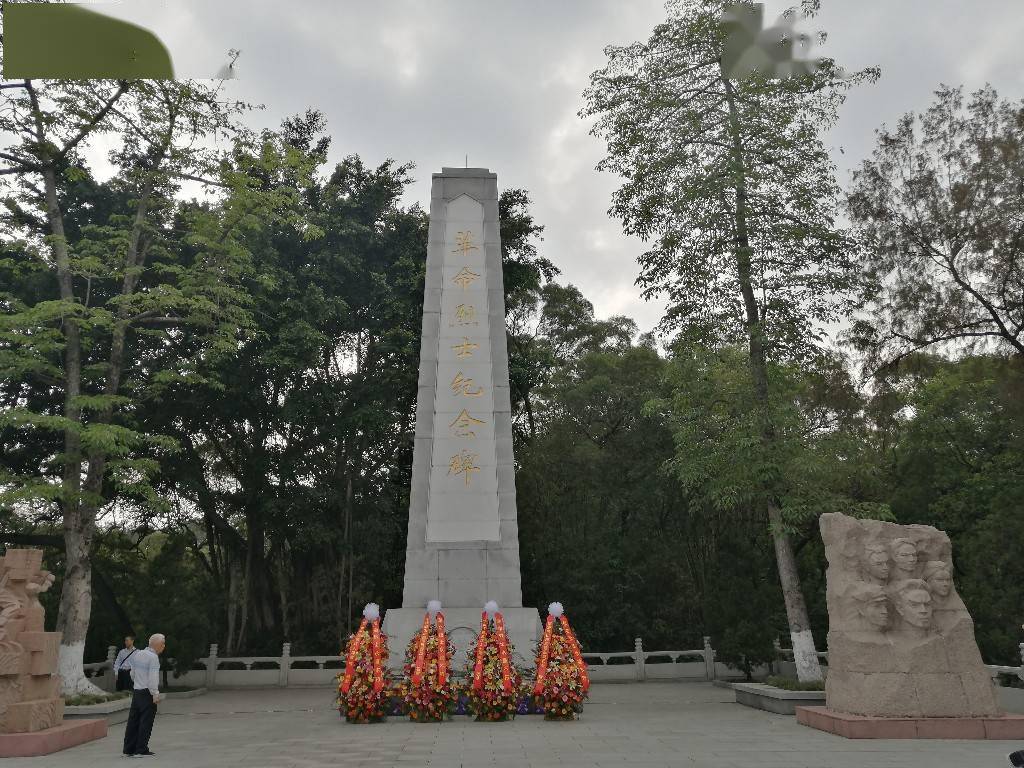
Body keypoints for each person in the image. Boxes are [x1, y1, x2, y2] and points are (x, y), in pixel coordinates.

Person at [122, 633, 165, 758]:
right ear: (157, 644)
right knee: (146, 721)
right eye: (163, 643)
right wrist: (155, 694)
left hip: (137, 691)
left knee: (133, 721)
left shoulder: (138, 654)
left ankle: (129, 749)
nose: (164, 646)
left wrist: (138, 683)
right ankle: (141, 749)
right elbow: (153, 678)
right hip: (147, 693)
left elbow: (132, 674)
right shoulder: (153, 658)